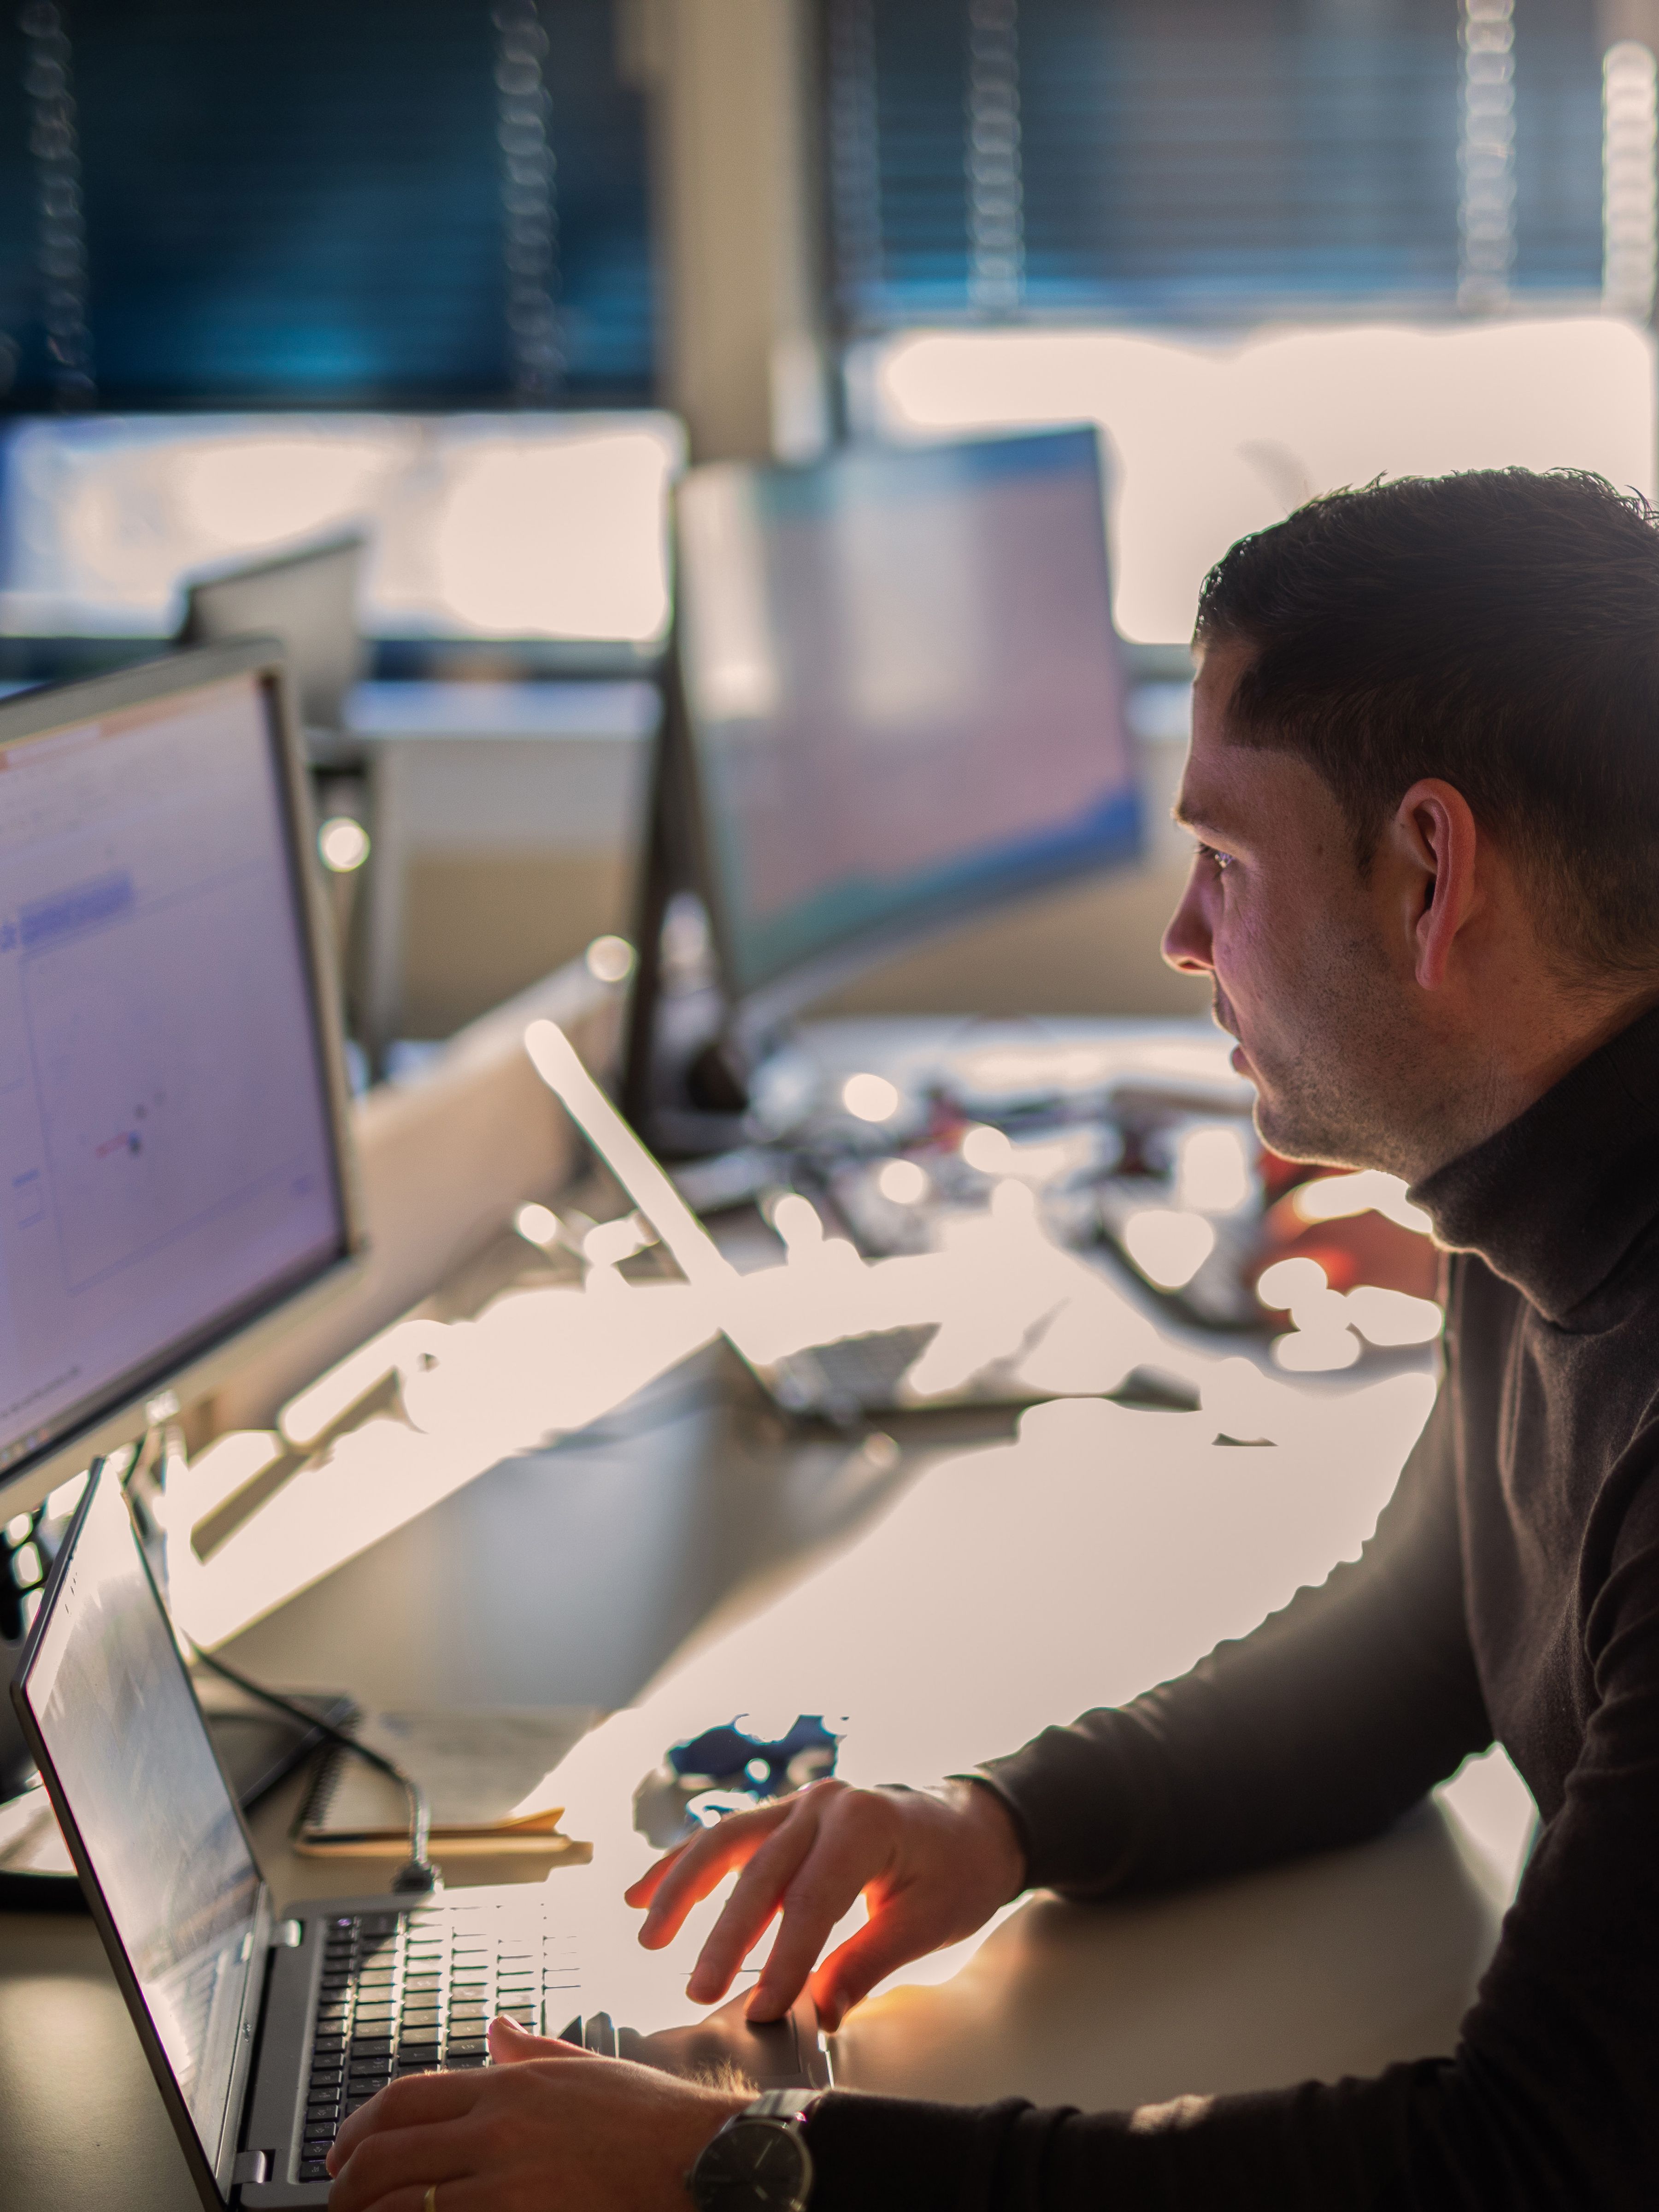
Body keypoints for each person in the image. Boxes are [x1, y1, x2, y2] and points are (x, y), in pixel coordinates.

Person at [325, 468, 1659, 2209]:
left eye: (1223, 860)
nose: (1184, 938)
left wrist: (751, 2170)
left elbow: (1523, 2172)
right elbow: (1436, 1629)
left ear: (1430, 873)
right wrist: (999, 1821)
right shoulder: (1541, 1164)